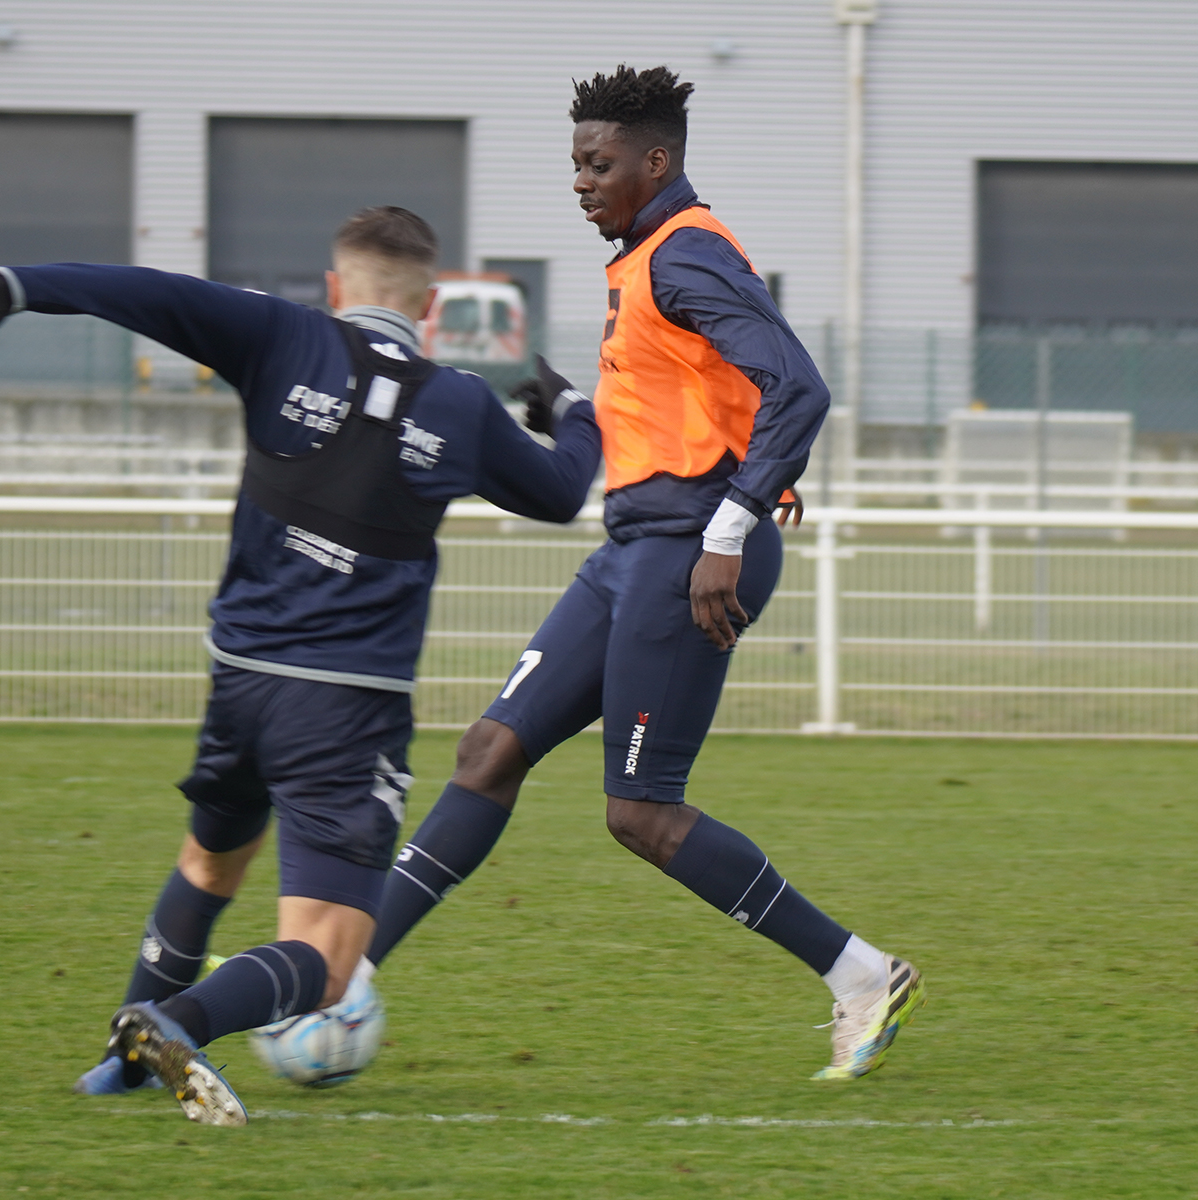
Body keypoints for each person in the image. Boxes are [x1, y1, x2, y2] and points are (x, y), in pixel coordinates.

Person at [0, 207, 601, 1124]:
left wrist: (11, 285)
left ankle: (113, 1068)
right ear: (429, 305)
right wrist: (574, 414)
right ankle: (170, 1022)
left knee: (208, 864)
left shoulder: (282, 337)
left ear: (333, 289)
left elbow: (150, 295)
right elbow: (560, 495)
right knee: (327, 962)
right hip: (345, 710)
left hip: (240, 679)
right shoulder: (461, 404)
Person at [361, 67, 925, 1081]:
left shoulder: (686, 253)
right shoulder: (640, 260)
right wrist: (569, 397)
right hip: (633, 551)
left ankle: (857, 973)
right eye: (575, 164)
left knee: (640, 812)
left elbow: (799, 388)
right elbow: (677, 406)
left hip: (693, 551)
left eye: (599, 164)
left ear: (654, 162)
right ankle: (343, 971)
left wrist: (729, 528)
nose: (580, 182)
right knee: (489, 750)